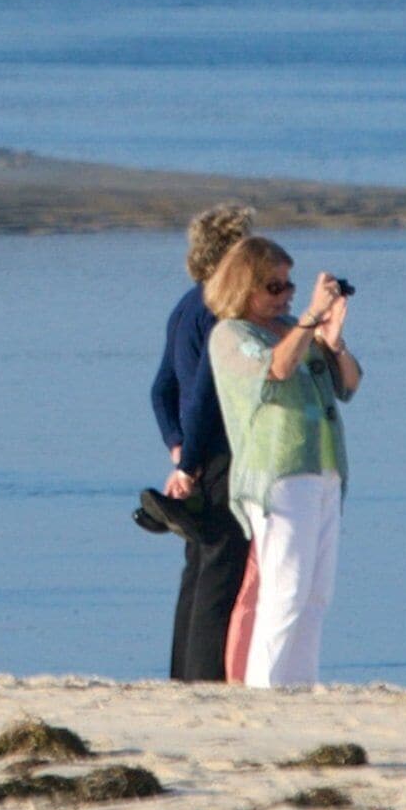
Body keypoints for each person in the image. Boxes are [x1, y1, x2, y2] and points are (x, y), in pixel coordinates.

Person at [206, 235, 361, 688]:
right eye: (274, 287)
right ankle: (265, 691)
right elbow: (275, 370)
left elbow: (349, 385)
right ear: (244, 287)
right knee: (285, 590)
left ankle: (300, 689)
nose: (286, 295)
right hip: (279, 472)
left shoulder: (295, 329)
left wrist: (333, 341)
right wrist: (311, 318)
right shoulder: (231, 335)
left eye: (288, 285)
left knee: (316, 594)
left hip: (324, 468)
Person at [142, 203, 258, 680]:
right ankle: (204, 680)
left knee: (199, 568)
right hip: (220, 454)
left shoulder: (186, 306)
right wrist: (187, 463)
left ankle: (183, 678)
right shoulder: (219, 313)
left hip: (198, 452)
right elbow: (204, 399)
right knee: (220, 570)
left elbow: (161, 391)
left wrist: (178, 448)